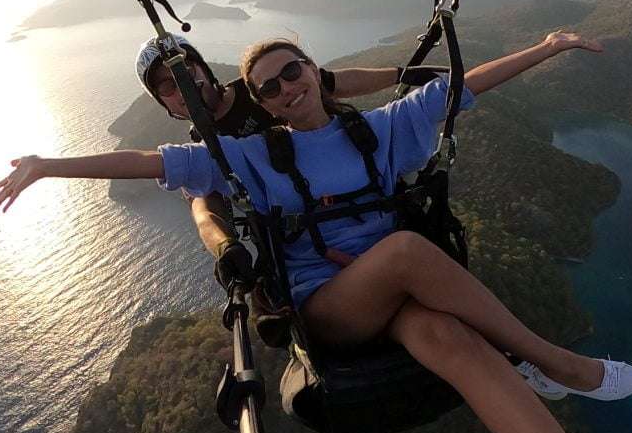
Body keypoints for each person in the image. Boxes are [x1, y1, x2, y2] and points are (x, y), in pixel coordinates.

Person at [0, 32, 632, 433]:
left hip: (400, 301)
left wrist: (550, 47)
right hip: (328, 309)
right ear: (259, 104)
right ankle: (557, 363)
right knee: (410, 254)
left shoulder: (378, 129)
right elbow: (151, 164)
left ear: (313, 73)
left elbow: (460, 88)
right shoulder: (249, 157)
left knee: (455, 343)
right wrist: (49, 167)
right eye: (268, 87)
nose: (284, 88)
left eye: (293, 72)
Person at [135, 38, 444, 292]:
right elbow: (204, 205)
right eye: (166, 88)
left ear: (201, 67)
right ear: (164, 103)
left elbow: (328, 83)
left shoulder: (257, 87)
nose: (181, 88)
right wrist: (224, 247)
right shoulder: (205, 143)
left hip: (355, 185)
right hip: (306, 238)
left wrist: (403, 74)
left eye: (184, 70)